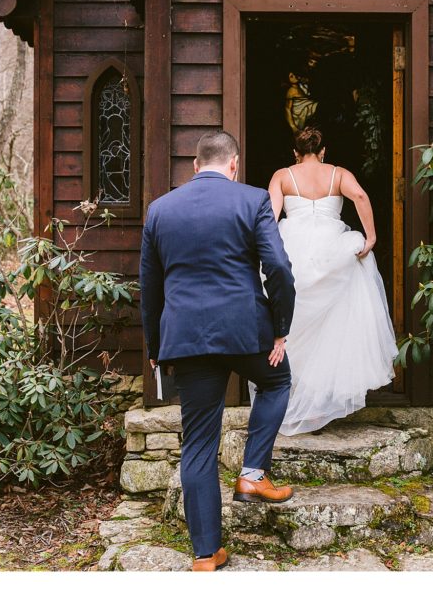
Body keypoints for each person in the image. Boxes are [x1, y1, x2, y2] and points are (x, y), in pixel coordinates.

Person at [140, 130, 297, 572]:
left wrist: (156, 347)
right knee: (277, 380)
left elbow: (149, 288)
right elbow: (279, 268)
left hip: (187, 340)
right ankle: (252, 474)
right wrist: (279, 329)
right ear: (234, 165)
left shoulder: (160, 210)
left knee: (199, 444)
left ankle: (205, 556)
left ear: (194, 166)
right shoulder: (251, 201)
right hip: (247, 332)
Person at [260, 125, 398, 435]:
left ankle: (293, 396)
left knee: (294, 325)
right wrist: (371, 237)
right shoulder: (338, 174)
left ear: (295, 153)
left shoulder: (283, 175)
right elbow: (360, 196)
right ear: (323, 152)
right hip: (331, 249)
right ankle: (321, 402)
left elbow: (271, 215)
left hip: (294, 249)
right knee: (332, 324)